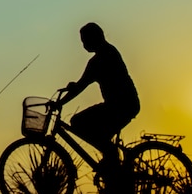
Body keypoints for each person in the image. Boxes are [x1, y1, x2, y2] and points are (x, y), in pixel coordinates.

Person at [56, 22, 140, 164]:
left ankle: (111, 158)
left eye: (85, 40)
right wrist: (74, 86)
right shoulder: (110, 51)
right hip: (126, 104)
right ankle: (111, 163)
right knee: (101, 135)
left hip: (120, 106)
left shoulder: (100, 59)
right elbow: (82, 83)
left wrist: (59, 103)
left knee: (78, 122)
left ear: (94, 37)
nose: (83, 45)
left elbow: (81, 85)